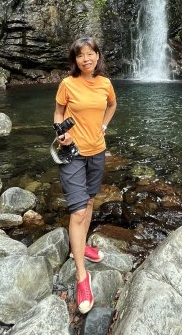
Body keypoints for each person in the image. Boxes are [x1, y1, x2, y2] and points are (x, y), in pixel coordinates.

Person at [53, 36, 117, 314]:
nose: (86, 59)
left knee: (90, 201)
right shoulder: (67, 84)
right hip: (73, 153)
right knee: (78, 210)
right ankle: (82, 276)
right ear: (75, 60)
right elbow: (58, 114)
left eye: (90, 54)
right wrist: (61, 133)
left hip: (97, 151)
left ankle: (78, 245)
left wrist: (103, 125)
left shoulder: (105, 84)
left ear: (97, 57)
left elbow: (112, 105)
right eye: (81, 55)